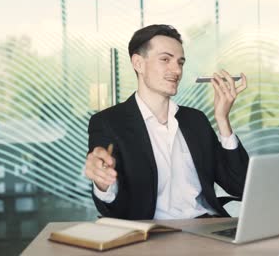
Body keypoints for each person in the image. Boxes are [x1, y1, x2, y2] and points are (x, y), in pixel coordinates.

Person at [84, 24, 249, 220]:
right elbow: (112, 209)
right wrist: (102, 182)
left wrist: (223, 120)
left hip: (207, 226)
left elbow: (240, 186)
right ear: (138, 63)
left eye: (180, 62)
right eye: (165, 59)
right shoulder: (108, 122)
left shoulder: (195, 120)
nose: (177, 70)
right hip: (152, 235)